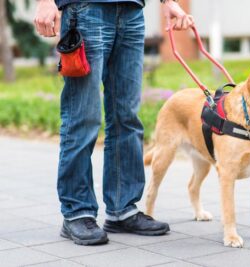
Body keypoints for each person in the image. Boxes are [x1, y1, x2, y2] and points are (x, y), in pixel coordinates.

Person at [34, 0, 194, 245]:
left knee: (127, 118)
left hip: (131, 12)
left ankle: (123, 209)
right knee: (83, 117)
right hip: (85, 10)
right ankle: (77, 212)